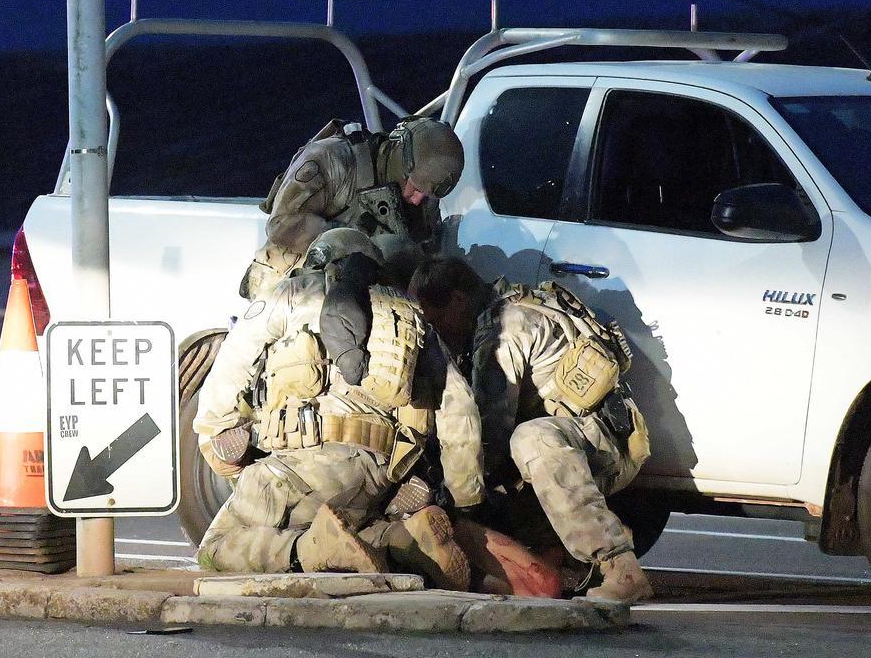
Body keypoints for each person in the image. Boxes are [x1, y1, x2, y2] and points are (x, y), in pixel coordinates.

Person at [194, 230, 484, 589]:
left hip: (302, 464)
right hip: (380, 478)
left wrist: (216, 435)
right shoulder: (413, 319)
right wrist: (464, 499)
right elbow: (460, 412)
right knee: (351, 523)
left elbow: (230, 369)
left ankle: (312, 551)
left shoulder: (293, 294)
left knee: (215, 548)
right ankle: (401, 539)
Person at [409, 257, 654, 604]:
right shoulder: (514, 302)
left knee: (528, 442)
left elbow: (488, 436)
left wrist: (450, 493)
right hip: (602, 441)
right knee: (519, 454)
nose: (437, 332)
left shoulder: (502, 334)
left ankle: (621, 569)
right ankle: (557, 558)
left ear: (459, 301)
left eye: (436, 319)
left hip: (600, 453)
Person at [240, 116, 464, 299]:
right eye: (414, 188)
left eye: (425, 195)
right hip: (290, 282)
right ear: (401, 162)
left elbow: (422, 251)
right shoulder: (331, 159)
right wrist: (357, 242)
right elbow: (282, 225)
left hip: (356, 288)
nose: (417, 200)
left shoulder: (426, 189)